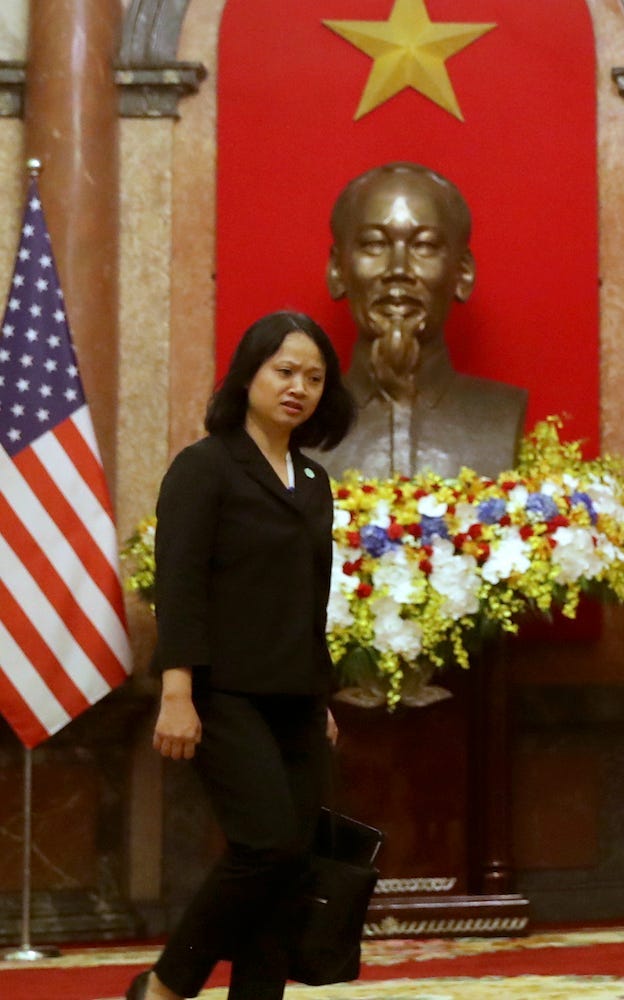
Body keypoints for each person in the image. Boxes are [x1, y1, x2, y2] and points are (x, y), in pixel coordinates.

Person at [131, 311, 356, 1000]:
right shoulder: (204, 467)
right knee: (267, 848)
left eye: (314, 377)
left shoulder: (314, 482)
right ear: (248, 374)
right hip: (220, 691)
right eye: (284, 371)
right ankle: (169, 982)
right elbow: (180, 583)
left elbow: (309, 598)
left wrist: (320, 701)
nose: (299, 387)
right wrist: (177, 693)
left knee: (289, 869)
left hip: (295, 696)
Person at [312, 161, 526, 480]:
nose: (398, 269)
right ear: (337, 271)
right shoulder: (299, 421)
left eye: (424, 246)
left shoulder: (501, 413)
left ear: (463, 273)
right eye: (374, 244)